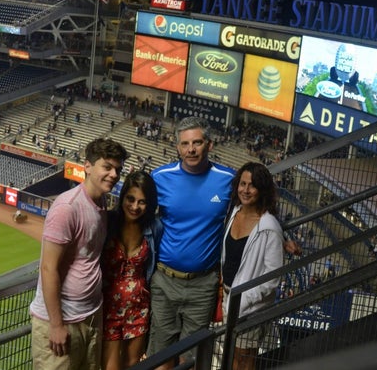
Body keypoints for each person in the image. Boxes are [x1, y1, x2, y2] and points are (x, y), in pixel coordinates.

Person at [29, 138, 128, 370]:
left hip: (91, 316)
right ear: (88, 166)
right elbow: (48, 267)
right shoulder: (67, 208)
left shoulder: (102, 202)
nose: (114, 174)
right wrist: (56, 325)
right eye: (107, 167)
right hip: (63, 321)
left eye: (118, 169)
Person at [147, 116, 236, 369]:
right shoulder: (159, 177)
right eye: (185, 144)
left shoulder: (227, 179)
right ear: (177, 147)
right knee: (161, 356)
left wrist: (281, 234)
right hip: (164, 281)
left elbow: (256, 205)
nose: (191, 149)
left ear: (209, 144)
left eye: (197, 142)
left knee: (190, 359)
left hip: (203, 285)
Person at [221, 162, 285, 370]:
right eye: (243, 183)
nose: (245, 190)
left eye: (252, 185)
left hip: (250, 306)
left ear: (262, 190)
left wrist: (245, 299)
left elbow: (273, 277)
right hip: (228, 297)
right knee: (231, 355)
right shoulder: (234, 212)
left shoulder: (269, 227)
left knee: (244, 358)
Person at [101, 171, 162, 370]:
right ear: (123, 196)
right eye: (131, 199)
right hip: (108, 305)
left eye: (142, 202)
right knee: (110, 366)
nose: (135, 207)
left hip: (139, 305)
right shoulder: (108, 222)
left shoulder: (154, 228)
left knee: (133, 365)